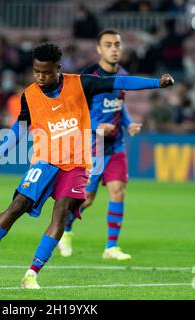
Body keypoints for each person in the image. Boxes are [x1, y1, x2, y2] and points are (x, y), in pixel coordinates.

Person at [0, 43, 174, 289]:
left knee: (61, 215)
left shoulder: (82, 83)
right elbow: (21, 127)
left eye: (46, 72)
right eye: (36, 71)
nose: (41, 77)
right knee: (16, 207)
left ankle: (31, 274)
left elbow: (119, 83)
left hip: (76, 164)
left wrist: (155, 83)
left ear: (59, 69)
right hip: (45, 161)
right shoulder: (29, 95)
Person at [57, 29, 141, 260]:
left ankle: (111, 247)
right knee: (87, 198)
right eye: (108, 45)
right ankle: (64, 229)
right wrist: (96, 127)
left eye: (117, 44)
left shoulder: (123, 75)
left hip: (116, 145)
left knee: (118, 191)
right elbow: (74, 111)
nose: (114, 49)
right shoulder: (88, 77)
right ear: (98, 49)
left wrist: (129, 123)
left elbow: (118, 105)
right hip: (93, 145)